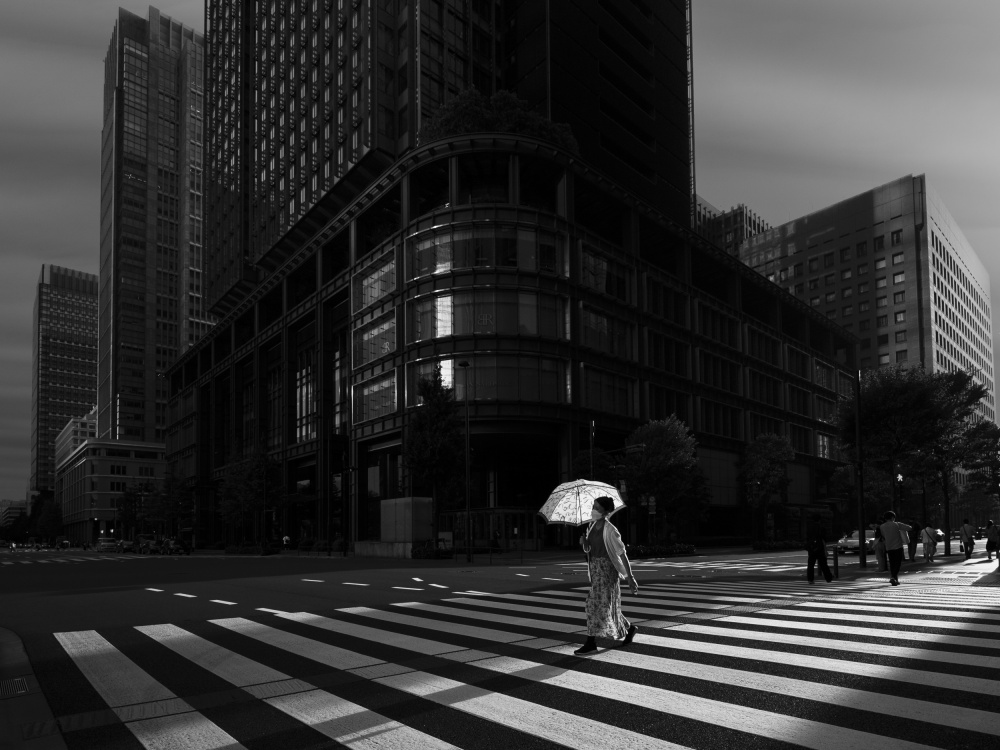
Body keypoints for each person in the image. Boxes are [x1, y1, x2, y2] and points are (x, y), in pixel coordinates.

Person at [576, 496, 639, 655]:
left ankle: (591, 643)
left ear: (605, 511)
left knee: (592, 605)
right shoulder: (591, 526)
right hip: (596, 571)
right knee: (606, 607)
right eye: (593, 506)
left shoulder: (611, 530)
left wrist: (630, 578)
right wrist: (585, 543)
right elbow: (590, 550)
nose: (594, 510)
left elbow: (622, 554)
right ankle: (630, 629)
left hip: (608, 572)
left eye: (597, 507)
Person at [879, 511, 911, 586]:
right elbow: (909, 528)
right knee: (897, 563)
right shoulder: (897, 524)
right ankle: (893, 577)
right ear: (893, 517)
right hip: (898, 546)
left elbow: (884, 535)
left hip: (889, 547)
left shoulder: (882, 526)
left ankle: (895, 579)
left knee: (892, 563)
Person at [805, 517, 833, 584]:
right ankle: (828, 578)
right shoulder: (821, 528)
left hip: (811, 548)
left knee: (811, 565)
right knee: (823, 564)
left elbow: (807, 538)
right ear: (819, 520)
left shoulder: (809, 528)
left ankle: (810, 579)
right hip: (820, 548)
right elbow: (823, 540)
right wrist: (825, 550)